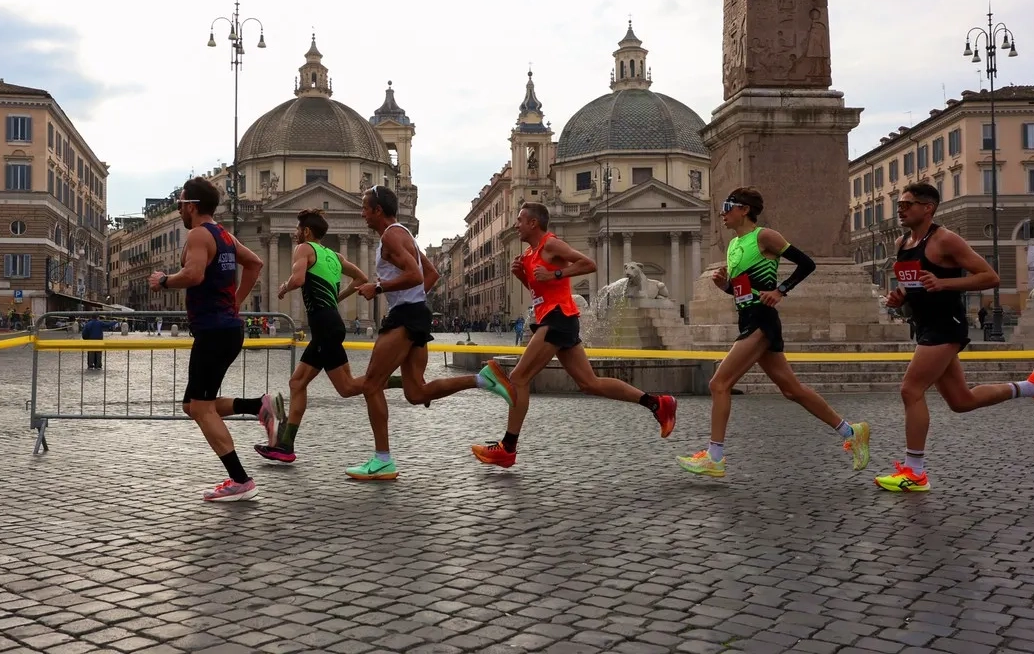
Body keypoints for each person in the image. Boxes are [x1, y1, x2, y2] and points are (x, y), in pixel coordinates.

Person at [877, 182, 1034, 492]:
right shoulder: (902, 242)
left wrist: (944, 283)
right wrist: (901, 298)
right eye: (899, 204)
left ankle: (915, 472)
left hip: (946, 326)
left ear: (928, 208)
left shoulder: (945, 240)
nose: (900, 209)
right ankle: (1032, 386)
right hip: (927, 325)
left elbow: (990, 277)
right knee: (961, 401)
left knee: (910, 389)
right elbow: (916, 285)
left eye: (907, 204)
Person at [676, 187, 870, 477]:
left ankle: (715, 457)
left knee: (718, 383)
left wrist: (781, 290)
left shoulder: (764, 236)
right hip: (747, 317)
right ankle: (850, 431)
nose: (722, 213)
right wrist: (726, 287)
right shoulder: (732, 246)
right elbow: (744, 289)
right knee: (792, 390)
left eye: (727, 207)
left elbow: (807, 263)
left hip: (761, 320)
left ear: (744, 209)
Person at [471, 202, 676, 469]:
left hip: (559, 318)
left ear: (533, 223)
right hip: (555, 318)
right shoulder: (531, 253)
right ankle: (658, 403)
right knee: (589, 383)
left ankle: (508, 448)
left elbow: (587, 264)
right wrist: (523, 276)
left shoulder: (550, 244)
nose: (516, 225)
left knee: (519, 377)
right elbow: (542, 291)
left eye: (519, 220)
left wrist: (556, 271)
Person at [344, 185, 513, 480]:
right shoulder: (404, 233)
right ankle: (481, 378)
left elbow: (414, 275)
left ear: (378, 210)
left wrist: (380, 288)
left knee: (372, 385)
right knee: (415, 391)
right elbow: (431, 274)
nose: (362, 214)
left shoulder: (390, 237)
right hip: (414, 313)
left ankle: (382, 460)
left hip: (405, 318)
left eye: (364, 208)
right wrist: (413, 301)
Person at [148, 176, 278, 502]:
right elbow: (255, 262)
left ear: (191, 205)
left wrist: (163, 280)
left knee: (203, 408)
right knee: (192, 406)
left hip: (213, 331)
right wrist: (237, 299)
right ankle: (258, 406)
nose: (179, 210)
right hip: (224, 329)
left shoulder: (197, 234)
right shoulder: (224, 235)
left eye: (179, 204)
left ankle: (241, 480)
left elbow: (194, 275)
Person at [255, 208, 369, 463]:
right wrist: (336, 298)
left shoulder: (304, 249)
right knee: (297, 383)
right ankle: (285, 446)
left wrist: (284, 287)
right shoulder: (335, 255)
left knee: (347, 388)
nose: (295, 234)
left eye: (298, 229)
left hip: (325, 327)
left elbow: (298, 279)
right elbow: (362, 278)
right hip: (329, 325)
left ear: (306, 231)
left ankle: (397, 381)